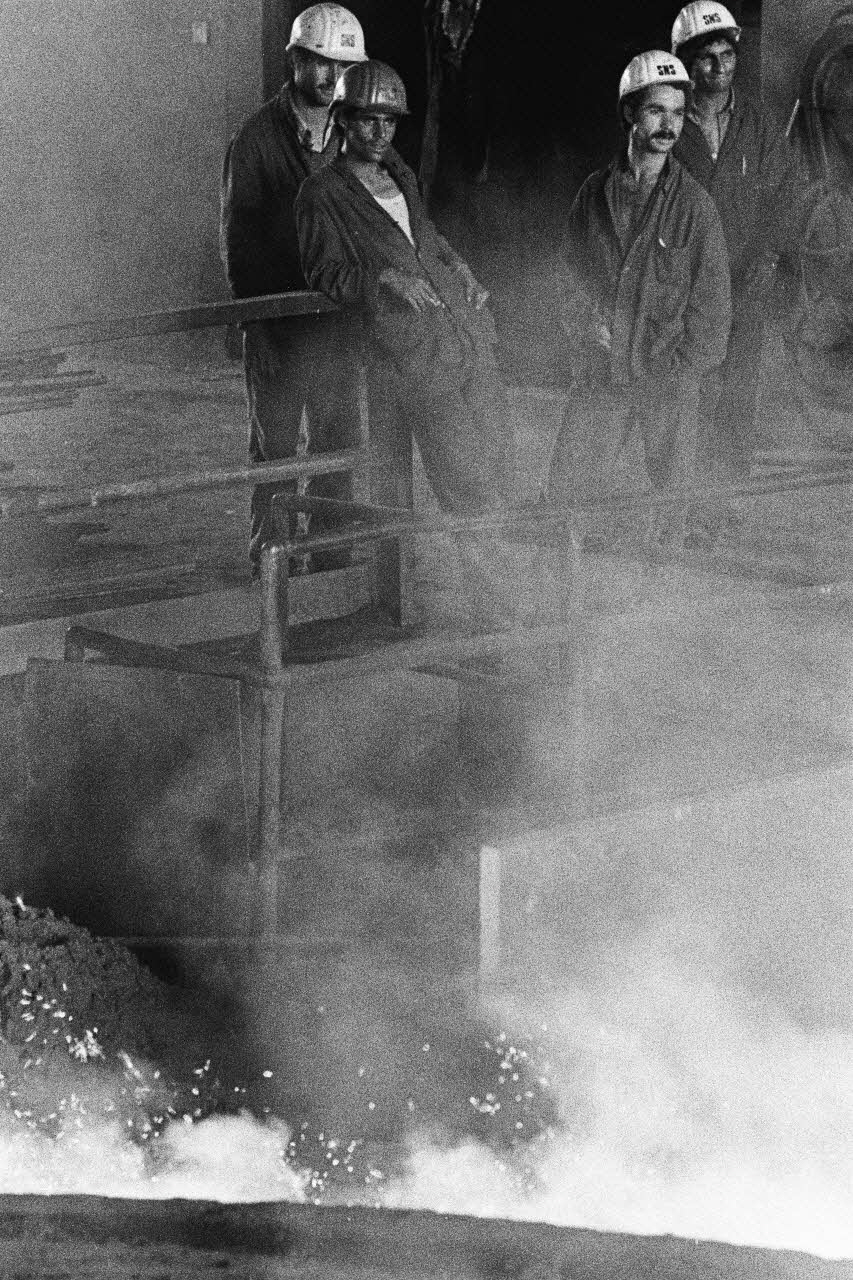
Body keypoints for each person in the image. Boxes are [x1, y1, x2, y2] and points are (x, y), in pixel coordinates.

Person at [295, 60, 516, 622]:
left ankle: (504, 601)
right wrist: (381, 280)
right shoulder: (321, 194)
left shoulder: (401, 174)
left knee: (493, 463)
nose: (380, 133)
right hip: (407, 355)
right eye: (367, 121)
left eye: (389, 122)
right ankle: (495, 613)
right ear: (343, 121)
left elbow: (427, 238)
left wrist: (457, 265)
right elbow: (326, 274)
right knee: (461, 478)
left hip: (459, 335)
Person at [547, 51, 731, 539]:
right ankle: (566, 604)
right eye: (655, 111)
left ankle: (669, 601)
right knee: (564, 500)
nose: (668, 125)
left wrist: (679, 373)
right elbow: (568, 277)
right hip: (603, 371)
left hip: (665, 376)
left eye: (676, 112)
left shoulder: (695, 207)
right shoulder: (594, 193)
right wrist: (585, 321)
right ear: (629, 112)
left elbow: (713, 312)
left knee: (672, 513)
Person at [220, 3, 368, 575]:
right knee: (275, 448)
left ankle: (331, 558)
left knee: (337, 442)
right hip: (279, 325)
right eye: (320, 63)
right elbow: (240, 238)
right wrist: (261, 317)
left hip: (335, 324)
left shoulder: (355, 133)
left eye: (341, 65)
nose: (331, 77)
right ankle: (273, 563)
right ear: (294, 61)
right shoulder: (256, 137)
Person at [671, 0, 802, 478]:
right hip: (686, 275)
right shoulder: (669, 120)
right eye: (707, 57)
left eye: (727, 55)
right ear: (685, 61)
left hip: (747, 268)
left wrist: (766, 257)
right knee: (689, 369)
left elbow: (784, 192)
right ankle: (684, 472)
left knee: (741, 370)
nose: (719, 67)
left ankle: (731, 471)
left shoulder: (757, 121)